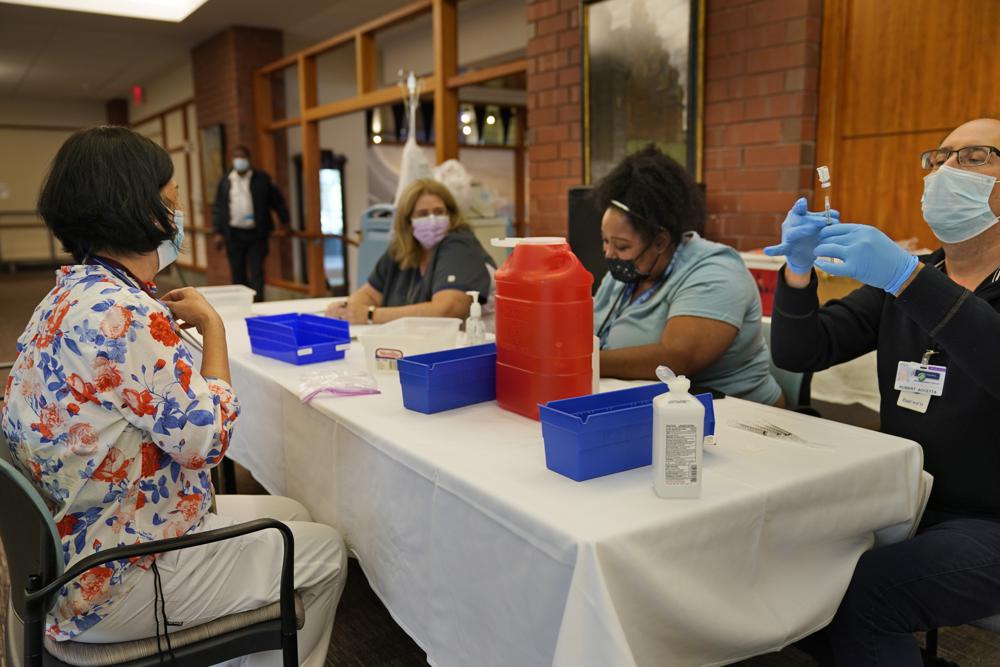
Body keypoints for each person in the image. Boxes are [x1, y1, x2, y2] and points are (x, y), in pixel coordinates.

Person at [1, 126, 345, 667]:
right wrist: (213, 328)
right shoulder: (127, 316)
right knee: (327, 550)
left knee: (293, 510)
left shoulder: (68, 294)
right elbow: (208, 442)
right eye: (173, 196)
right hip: (114, 577)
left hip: (77, 545)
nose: (180, 210)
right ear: (140, 209)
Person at [765, 118, 1000, 666]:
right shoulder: (911, 282)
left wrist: (910, 280)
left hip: (990, 523)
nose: (945, 170)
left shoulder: (911, 282)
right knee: (785, 570)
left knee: (866, 596)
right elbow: (801, 353)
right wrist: (798, 271)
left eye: (975, 157)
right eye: (938, 158)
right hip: (902, 500)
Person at [592, 145, 783, 405]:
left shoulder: (716, 271)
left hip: (737, 418)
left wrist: (580, 362)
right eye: (605, 241)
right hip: (648, 407)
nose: (609, 253)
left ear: (660, 240)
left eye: (621, 245)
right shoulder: (628, 270)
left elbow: (676, 359)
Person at [326, 178, 494, 324]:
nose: (432, 220)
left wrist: (370, 315)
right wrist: (348, 311)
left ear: (450, 214)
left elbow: (447, 310)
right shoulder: (401, 250)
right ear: (407, 221)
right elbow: (369, 295)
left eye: (439, 212)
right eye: (422, 214)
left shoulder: (460, 245)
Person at [212, 144, 290, 302]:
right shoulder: (225, 182)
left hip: (257, 234)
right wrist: (218, 231)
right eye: (237, 157)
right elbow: (219, 207)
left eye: (242, 157)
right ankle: (241, 305)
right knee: (237, 273)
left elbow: (277, 201)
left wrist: (285, 222)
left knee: (257, 272)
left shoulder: (262, 179)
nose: (239, 160)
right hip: (233, 234)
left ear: (248, 160)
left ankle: (258, 304)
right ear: (233, 160)